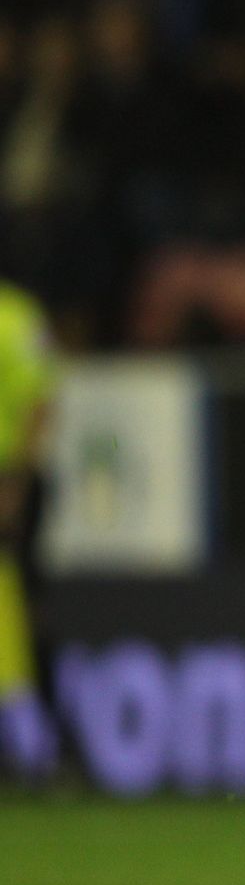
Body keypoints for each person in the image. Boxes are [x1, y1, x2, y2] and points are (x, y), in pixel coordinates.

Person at [0, 278, 55, 781]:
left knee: (19, 601)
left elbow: (40, 403)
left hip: (7, 478)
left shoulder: (15, 317)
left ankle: (31, 740)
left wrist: (16, 480)